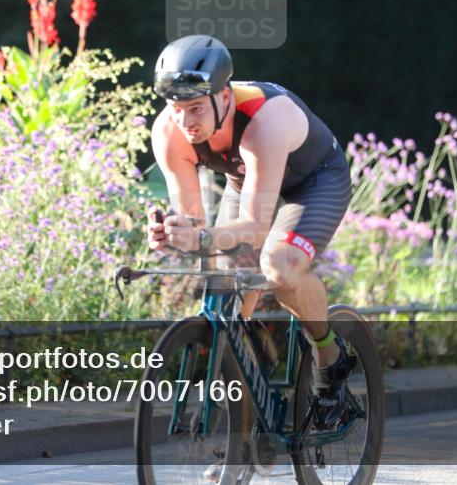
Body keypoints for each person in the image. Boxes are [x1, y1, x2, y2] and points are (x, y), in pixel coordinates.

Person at [145, 34, 355, 433]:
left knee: (279, 267)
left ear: (224, 96)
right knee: (224, 291)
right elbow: (194, 223)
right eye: (176, 109)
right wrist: (173, 232)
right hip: (249, 183)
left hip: (314, 182)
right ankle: (252, 388)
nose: (186, 123)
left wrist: (203, 238)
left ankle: (330, 357)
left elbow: (255, 230)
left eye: (195, 108)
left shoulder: (265, 119)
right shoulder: (168, 133)